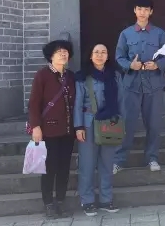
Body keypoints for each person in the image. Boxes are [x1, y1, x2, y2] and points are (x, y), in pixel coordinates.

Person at [113, 0, 165, 173]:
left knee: (153, 124)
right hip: (131, 84)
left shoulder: (159, 33)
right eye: (139, 9)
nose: (142, 12)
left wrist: (158, 65)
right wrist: (130, 65)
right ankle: (119, 160)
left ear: (151, 12)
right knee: (127, 123)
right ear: (135, 11)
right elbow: (119, 56)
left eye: (146, 9)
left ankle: (152, 158)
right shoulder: (126, 34)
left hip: (154, 84)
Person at [73, 43, 124, 216]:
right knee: (87, 165)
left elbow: (121, 101)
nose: (100, 55)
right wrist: (78, 126)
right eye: (96, 52)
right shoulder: (82, 77)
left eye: (103, 52)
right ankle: (87, 200)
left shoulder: (115, 76)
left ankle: (105, 199)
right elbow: (78, 104)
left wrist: (120, 123)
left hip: (110, 124)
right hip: (88, 124)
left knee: (106, 164)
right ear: (90, 55)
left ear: (108, 56)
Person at [28, 39, 76, 218]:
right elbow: (34, 104)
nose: (63, 54)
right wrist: (36, 127)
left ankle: (61, 201)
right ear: (51, 56)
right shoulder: (42, 75)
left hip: (68, 130)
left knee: (64, 167)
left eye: (65, 51)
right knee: (49, 167)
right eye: (59, 52)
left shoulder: (70, 76)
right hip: (48, 130)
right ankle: (48, 203)